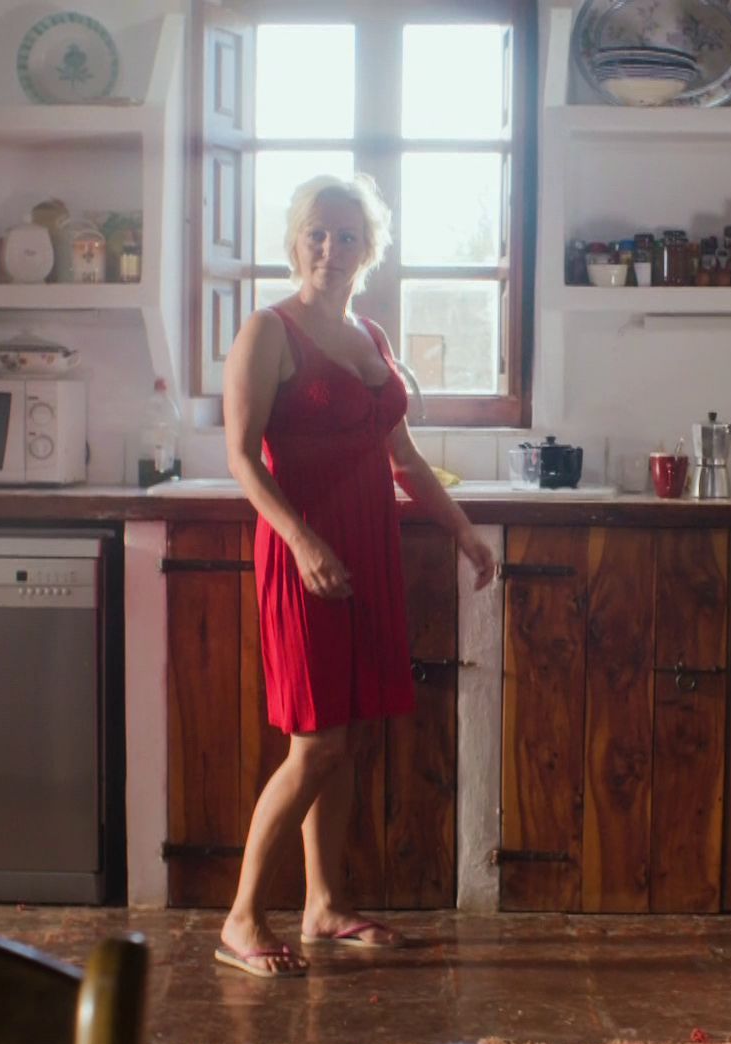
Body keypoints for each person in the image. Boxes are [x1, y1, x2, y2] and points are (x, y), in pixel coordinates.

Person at [216, 174, 497, 978]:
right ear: (295, 241)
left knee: (342, 739)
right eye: (316, 233)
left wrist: (461, 529)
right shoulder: (268, 331)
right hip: (304, 553)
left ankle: (324, 906)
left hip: (367, 551)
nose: (329, 248)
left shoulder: (370, 335)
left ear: (368, 248)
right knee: (314, 744)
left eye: (345, 235)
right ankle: (240, 919)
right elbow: (241, 458)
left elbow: (401, 456)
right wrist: (302, 542)